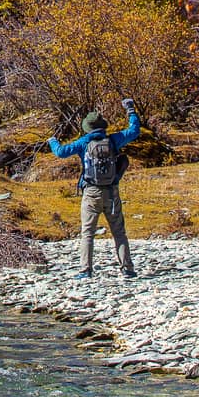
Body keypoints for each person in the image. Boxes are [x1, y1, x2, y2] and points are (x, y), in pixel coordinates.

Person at [48, 99, 140, 279]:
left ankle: (86, 270)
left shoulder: (83, 142)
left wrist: (53, 142)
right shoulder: (113, 140)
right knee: (119, 232)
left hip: (91, 192)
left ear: (87, 128)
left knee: (88, 232)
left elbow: (61, 152)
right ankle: (127, 269)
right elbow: (134, 131)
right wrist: (130, 110)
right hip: (112, 191)